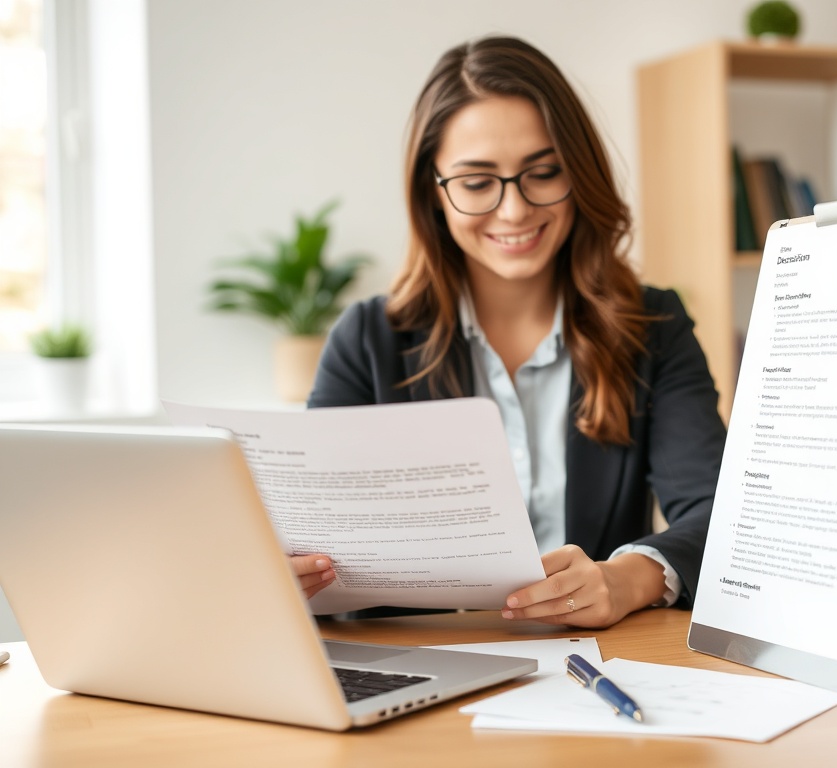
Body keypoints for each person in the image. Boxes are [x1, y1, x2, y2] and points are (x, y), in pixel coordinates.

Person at [293, 35, 726, 629]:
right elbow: (313, 535)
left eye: (543, 173)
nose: (515, 210)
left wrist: (623, 579)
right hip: (419, 666)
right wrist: (289, 570)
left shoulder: (653, 327)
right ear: (433, 193)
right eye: (477, 183)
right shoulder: (368, 340)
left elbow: (720, 513)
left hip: (593, 659)